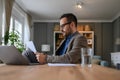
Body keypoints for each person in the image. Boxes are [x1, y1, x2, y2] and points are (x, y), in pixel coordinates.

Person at [22, 13, 87, 64]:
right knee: (28, 53)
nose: (61, 30)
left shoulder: (80, 38)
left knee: (27, 54)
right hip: (55, 64)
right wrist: (43, 56)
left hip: (66, 69)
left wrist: (46, 58)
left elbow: (70, 58)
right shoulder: (64, 40)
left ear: (72, 24)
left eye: (63, 26)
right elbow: (56, 56)